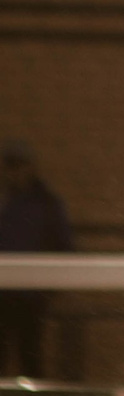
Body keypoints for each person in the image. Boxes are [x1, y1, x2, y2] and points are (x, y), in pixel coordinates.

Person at [0, 140, 75, 377]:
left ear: (30, 167)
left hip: (31, 296)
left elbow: (64, 246)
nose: (15, 172)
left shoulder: (47, 204)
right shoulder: (5, 201)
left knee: (30, 355)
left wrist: (49, 288)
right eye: (11, 165)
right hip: (3, 292)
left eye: (20, 165)